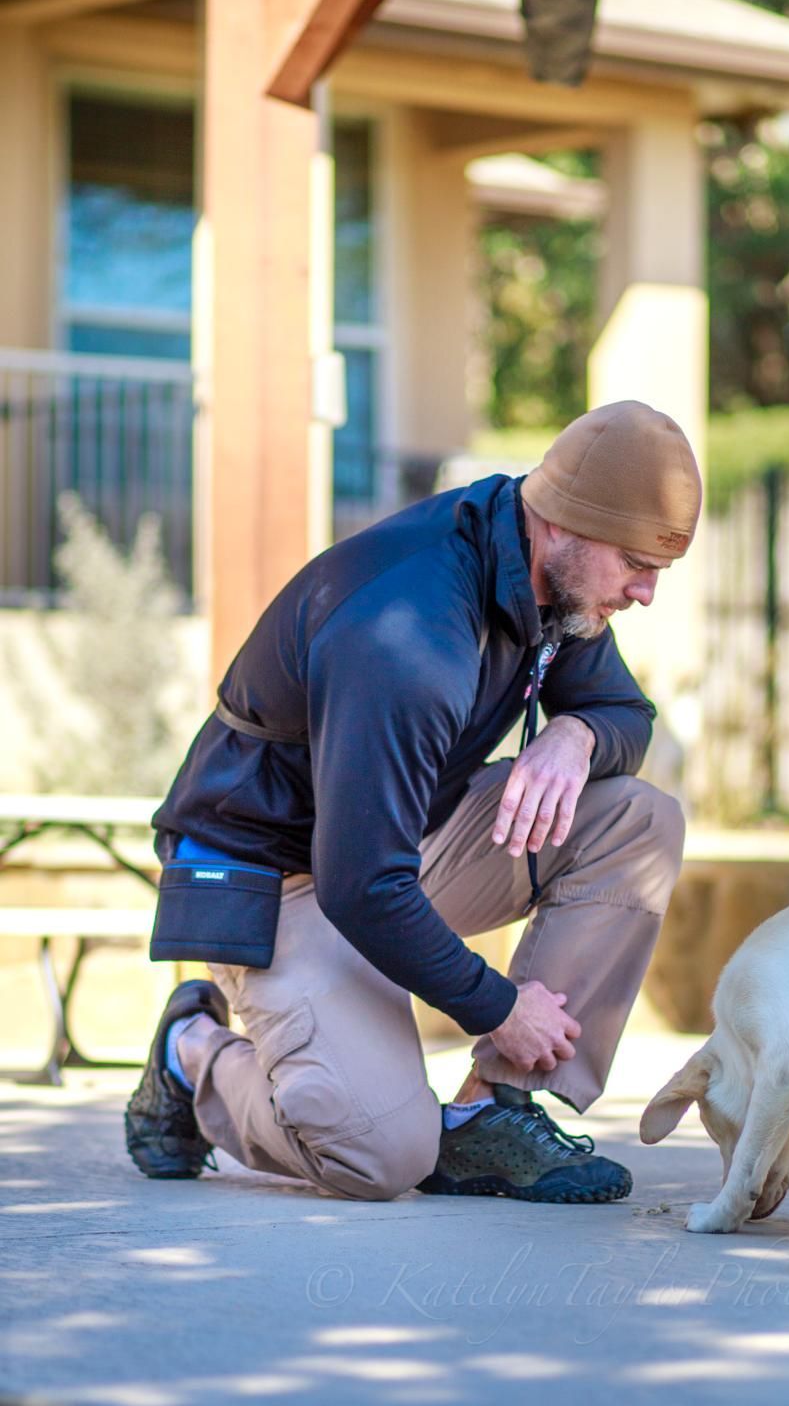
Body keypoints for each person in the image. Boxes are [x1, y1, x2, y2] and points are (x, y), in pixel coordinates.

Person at [125, 399, 701, 1204]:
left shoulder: (550, 580)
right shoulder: (411, 633)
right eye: (636, 564)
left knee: (639, 821)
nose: (645, 593)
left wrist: (574, 737)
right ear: (564, 524)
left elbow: (625, 716)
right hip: (274, 879)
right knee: (382, 1156)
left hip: (388, 851)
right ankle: (193, 1054)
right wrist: (498, 1006)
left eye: (659, 571)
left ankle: (490, 1114)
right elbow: (362, 883)